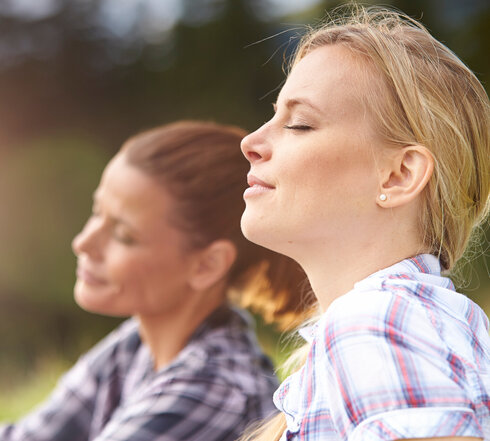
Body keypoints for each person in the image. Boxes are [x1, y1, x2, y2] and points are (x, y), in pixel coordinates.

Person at [239, 5, 490, 441]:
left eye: (299, 124)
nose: (250, 142)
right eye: (274, 115)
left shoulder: (375, 319)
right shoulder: (433, 322)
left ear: (399, 175)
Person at [0, 120, 310, 441]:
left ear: (207, 265)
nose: (83, 243)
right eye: (97, 213)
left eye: (123, 234)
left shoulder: (212, 389)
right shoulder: (135, 345)